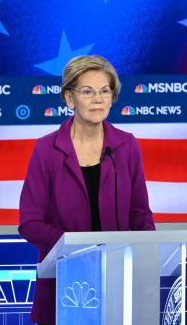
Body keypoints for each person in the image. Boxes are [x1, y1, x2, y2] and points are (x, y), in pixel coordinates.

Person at [19, 55, 155, 325]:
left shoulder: (126, 146)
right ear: (70, 99)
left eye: (105, 91)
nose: (98, 99)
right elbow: (29, 222)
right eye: (88, 91)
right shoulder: (47, 150)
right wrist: (77, 249)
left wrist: (147, 259)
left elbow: (139, 214)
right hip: (64, 281)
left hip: (117, 279)